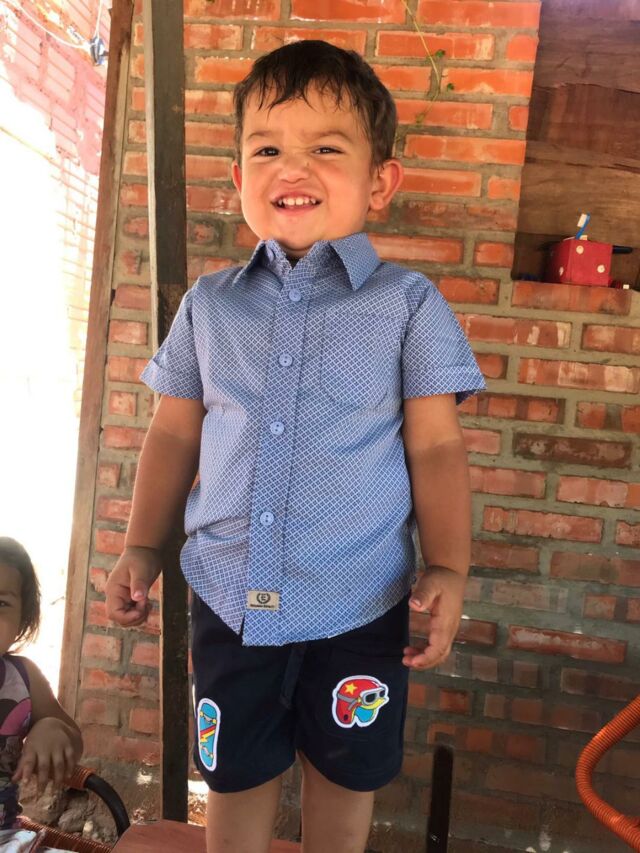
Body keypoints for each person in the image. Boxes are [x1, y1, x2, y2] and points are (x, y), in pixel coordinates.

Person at [105, 40, 485, 853]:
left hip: (360, 602)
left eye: (327, 149)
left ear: (380, 181)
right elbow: (173, 431)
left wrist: (449, 567)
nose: (293, 168)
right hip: (229, 599)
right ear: (238, 176)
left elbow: (436, 449)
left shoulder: (409, 306)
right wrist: (141, 544)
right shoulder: (209, 306)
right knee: (234, 775)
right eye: (268, 149)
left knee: (344, 777)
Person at [0, 537, 83, 845]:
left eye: (1, 604)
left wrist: (50, 726)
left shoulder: (23, 678)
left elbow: (74, 740)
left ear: (23, 618)